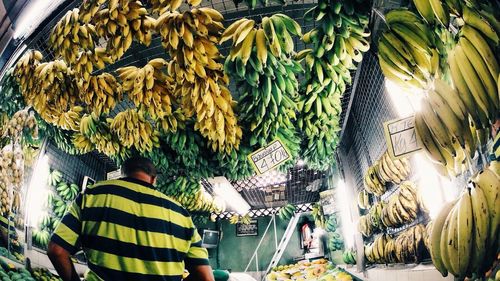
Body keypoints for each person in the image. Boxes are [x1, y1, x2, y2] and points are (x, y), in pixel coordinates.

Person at [47, 156, 215, 281]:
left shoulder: (93, 195)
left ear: (122, 173)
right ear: (154, 179)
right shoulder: (182, 215)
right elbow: (206, 278)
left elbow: (57, 251)